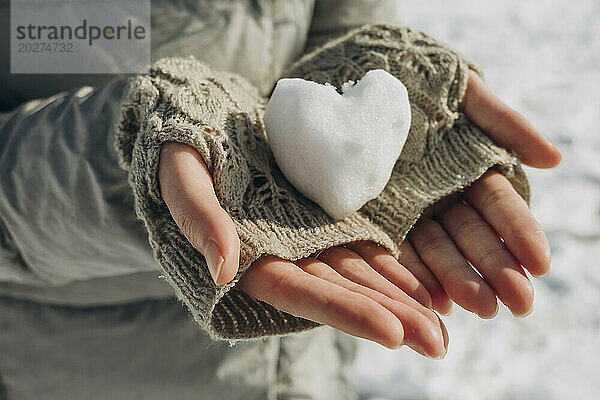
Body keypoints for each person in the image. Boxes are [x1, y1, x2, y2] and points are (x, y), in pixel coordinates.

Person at [0, 1, 561, 399]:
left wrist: (363, 64)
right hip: (76, 365)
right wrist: (134, 156)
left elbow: (343, 22)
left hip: (304, 367)